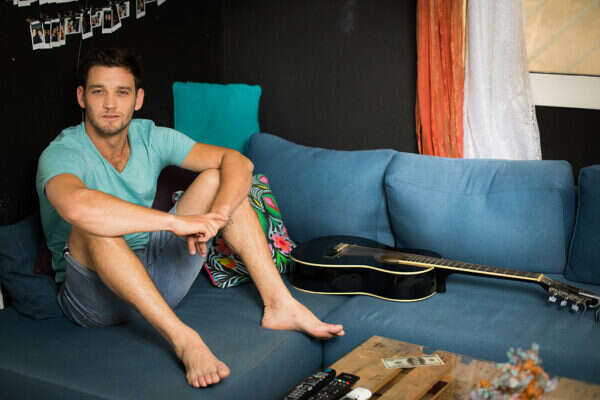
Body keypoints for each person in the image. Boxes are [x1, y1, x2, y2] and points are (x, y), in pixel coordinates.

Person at [36, 48, 344, 389]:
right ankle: (185, 340)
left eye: (121, 92)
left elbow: (238, 163)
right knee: (92, 227)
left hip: (156, 275)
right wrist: (173, 223)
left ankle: (279, 304)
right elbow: (77, 208)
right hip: (94, 299)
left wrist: (218, 215)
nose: (110, 104)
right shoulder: (62, 152)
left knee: (219, 179)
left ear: (138, 99)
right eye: (98, 92)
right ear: (81, 97)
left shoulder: (149, 136)